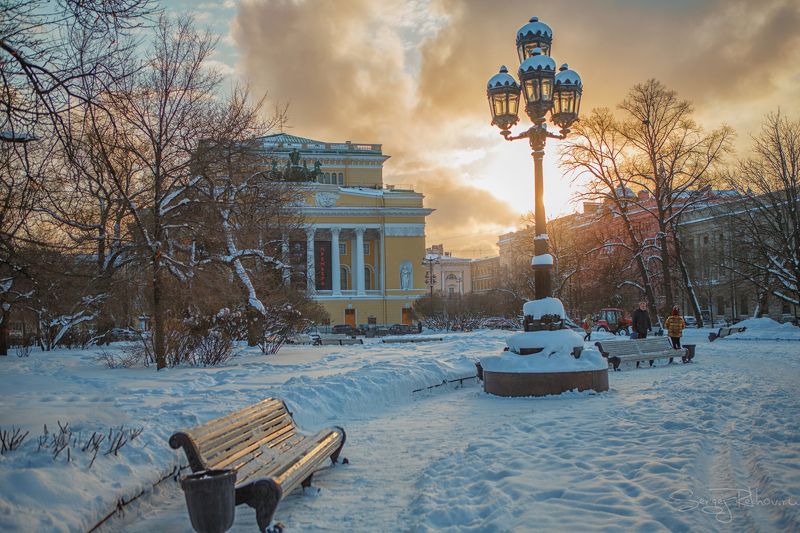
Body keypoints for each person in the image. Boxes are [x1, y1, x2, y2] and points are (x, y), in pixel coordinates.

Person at [631, 301, 652, 368]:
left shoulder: (646, 312)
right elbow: (634, 322)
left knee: (642, 345)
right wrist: (635, 330)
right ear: (639, 306)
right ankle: (638, 361)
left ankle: (642, 358)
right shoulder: (636, 312)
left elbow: (648, 320)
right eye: (642, 306)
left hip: (644, 331)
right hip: (638, 331)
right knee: (638, 346)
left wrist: (650, 327)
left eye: (644, 306)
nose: (643, 307)